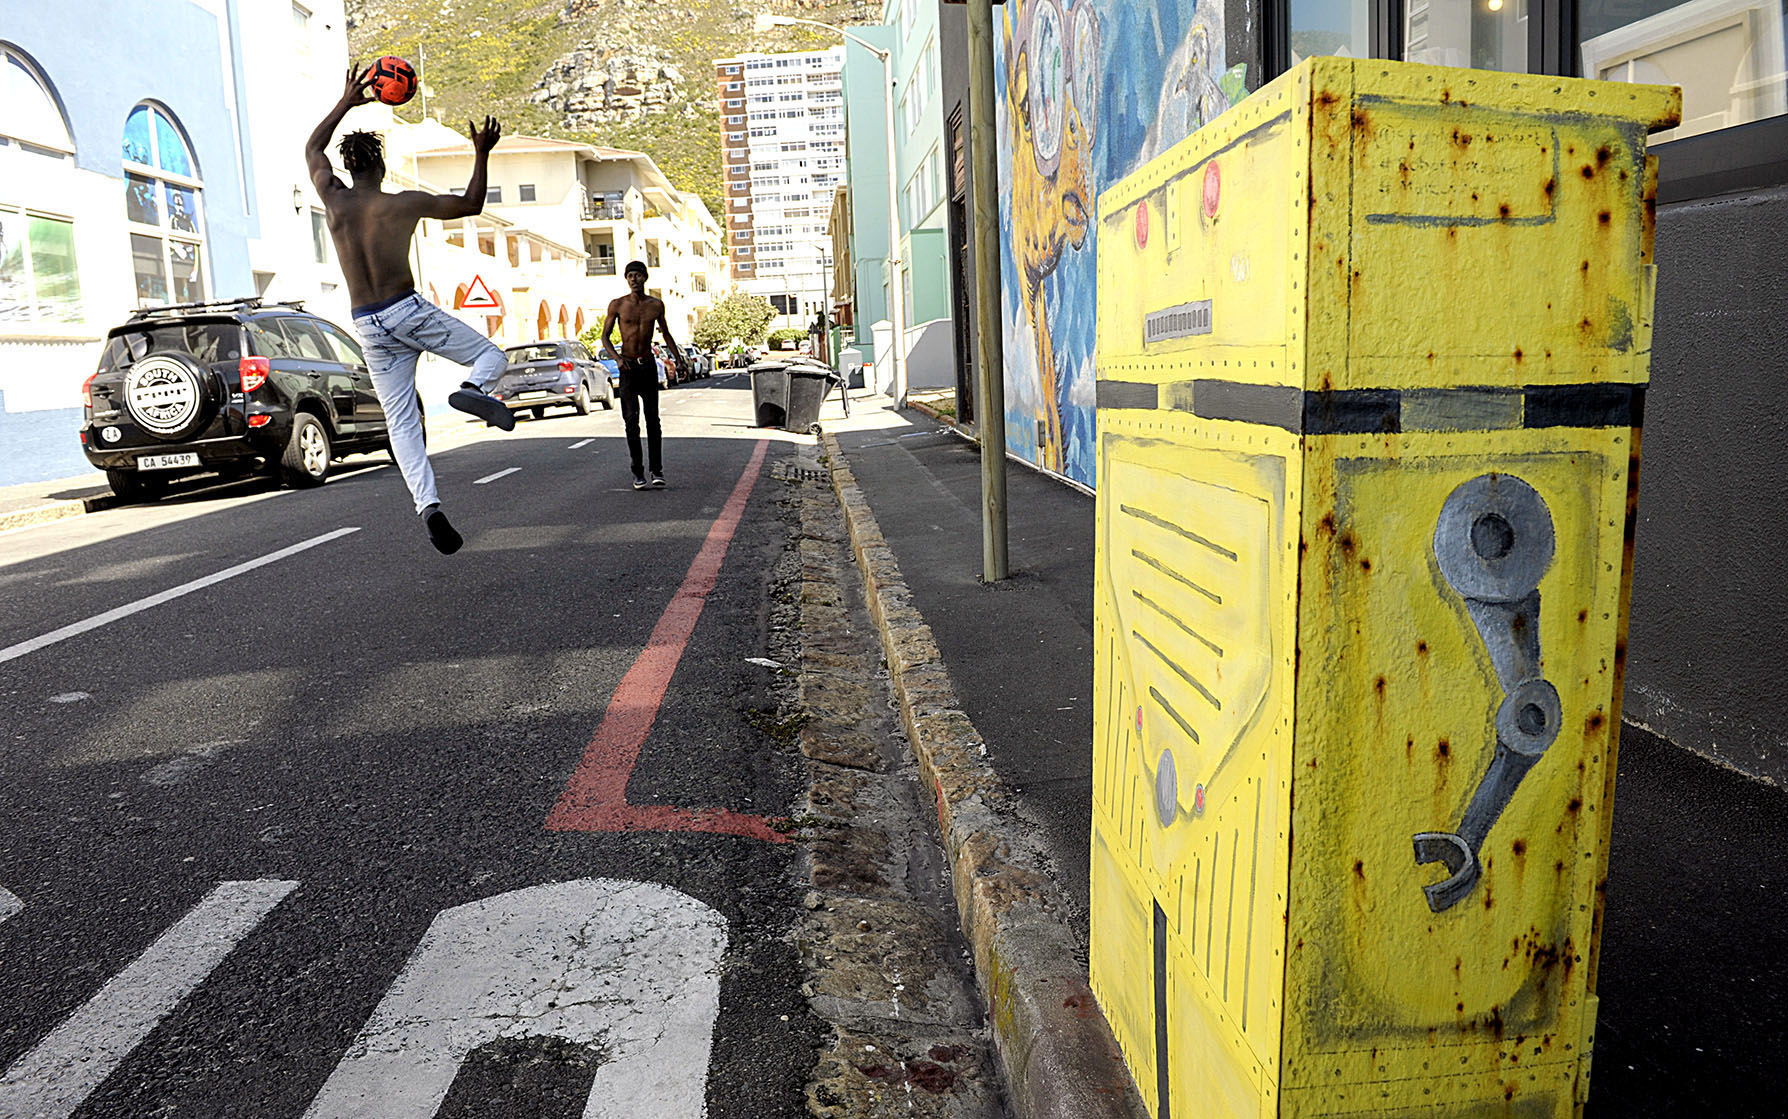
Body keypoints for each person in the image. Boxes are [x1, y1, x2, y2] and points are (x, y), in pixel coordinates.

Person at [304, 62, 516, 555]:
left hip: (367, 325)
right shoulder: (401, 204)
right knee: (492, 358)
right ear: (378, 167)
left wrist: (346, 101)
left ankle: (429, 506)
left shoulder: (333, 201)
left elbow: (313, 149)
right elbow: (470, 204)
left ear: (347, 168)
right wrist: (480, 152)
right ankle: (471, 389)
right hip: (406, 310)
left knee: (401, 424)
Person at [598, 262, 688, 489]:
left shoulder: (655, 305)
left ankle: (656, 471)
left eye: (638, 275)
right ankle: (638, 473)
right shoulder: (618, 305)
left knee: (653, 421)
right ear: (626, 279)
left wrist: (678, 359)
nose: (634, 279)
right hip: (628, 368)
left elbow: (665, 333)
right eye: (630, 276)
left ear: (645, 278)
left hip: (647, 366)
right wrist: (617, 359)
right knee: (631, 422)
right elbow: (605, 337)